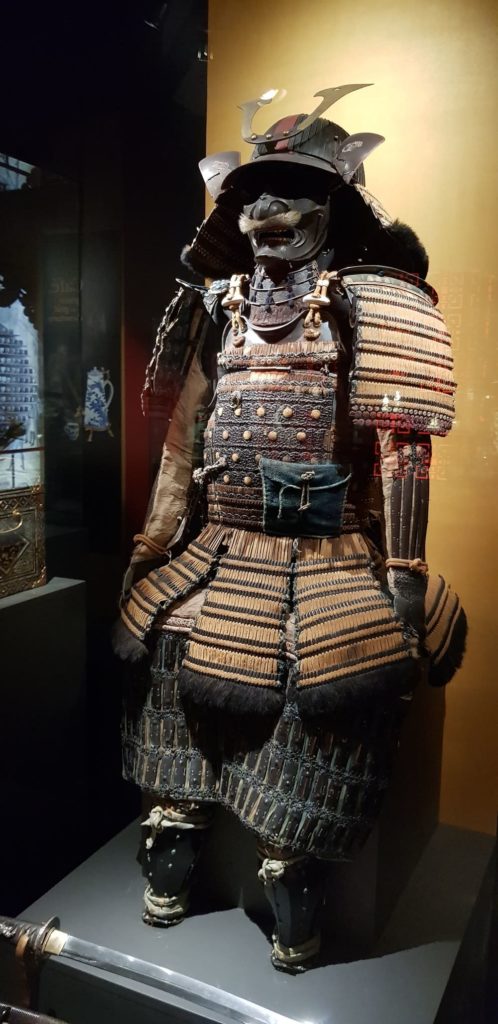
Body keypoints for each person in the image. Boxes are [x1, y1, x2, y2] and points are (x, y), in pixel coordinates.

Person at [114, 84, 466, 972]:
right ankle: (175, 843)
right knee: (165, 655)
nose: (271, 214)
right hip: (216, 550)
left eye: (292, 196)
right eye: (255, 197)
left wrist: (406, 577)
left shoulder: (373, 305)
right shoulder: (215, 310)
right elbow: (180, 446)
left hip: (331, 557)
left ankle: (292, 891)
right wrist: (152, 550)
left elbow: (404, 443)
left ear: (333, 207)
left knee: (329, 689)